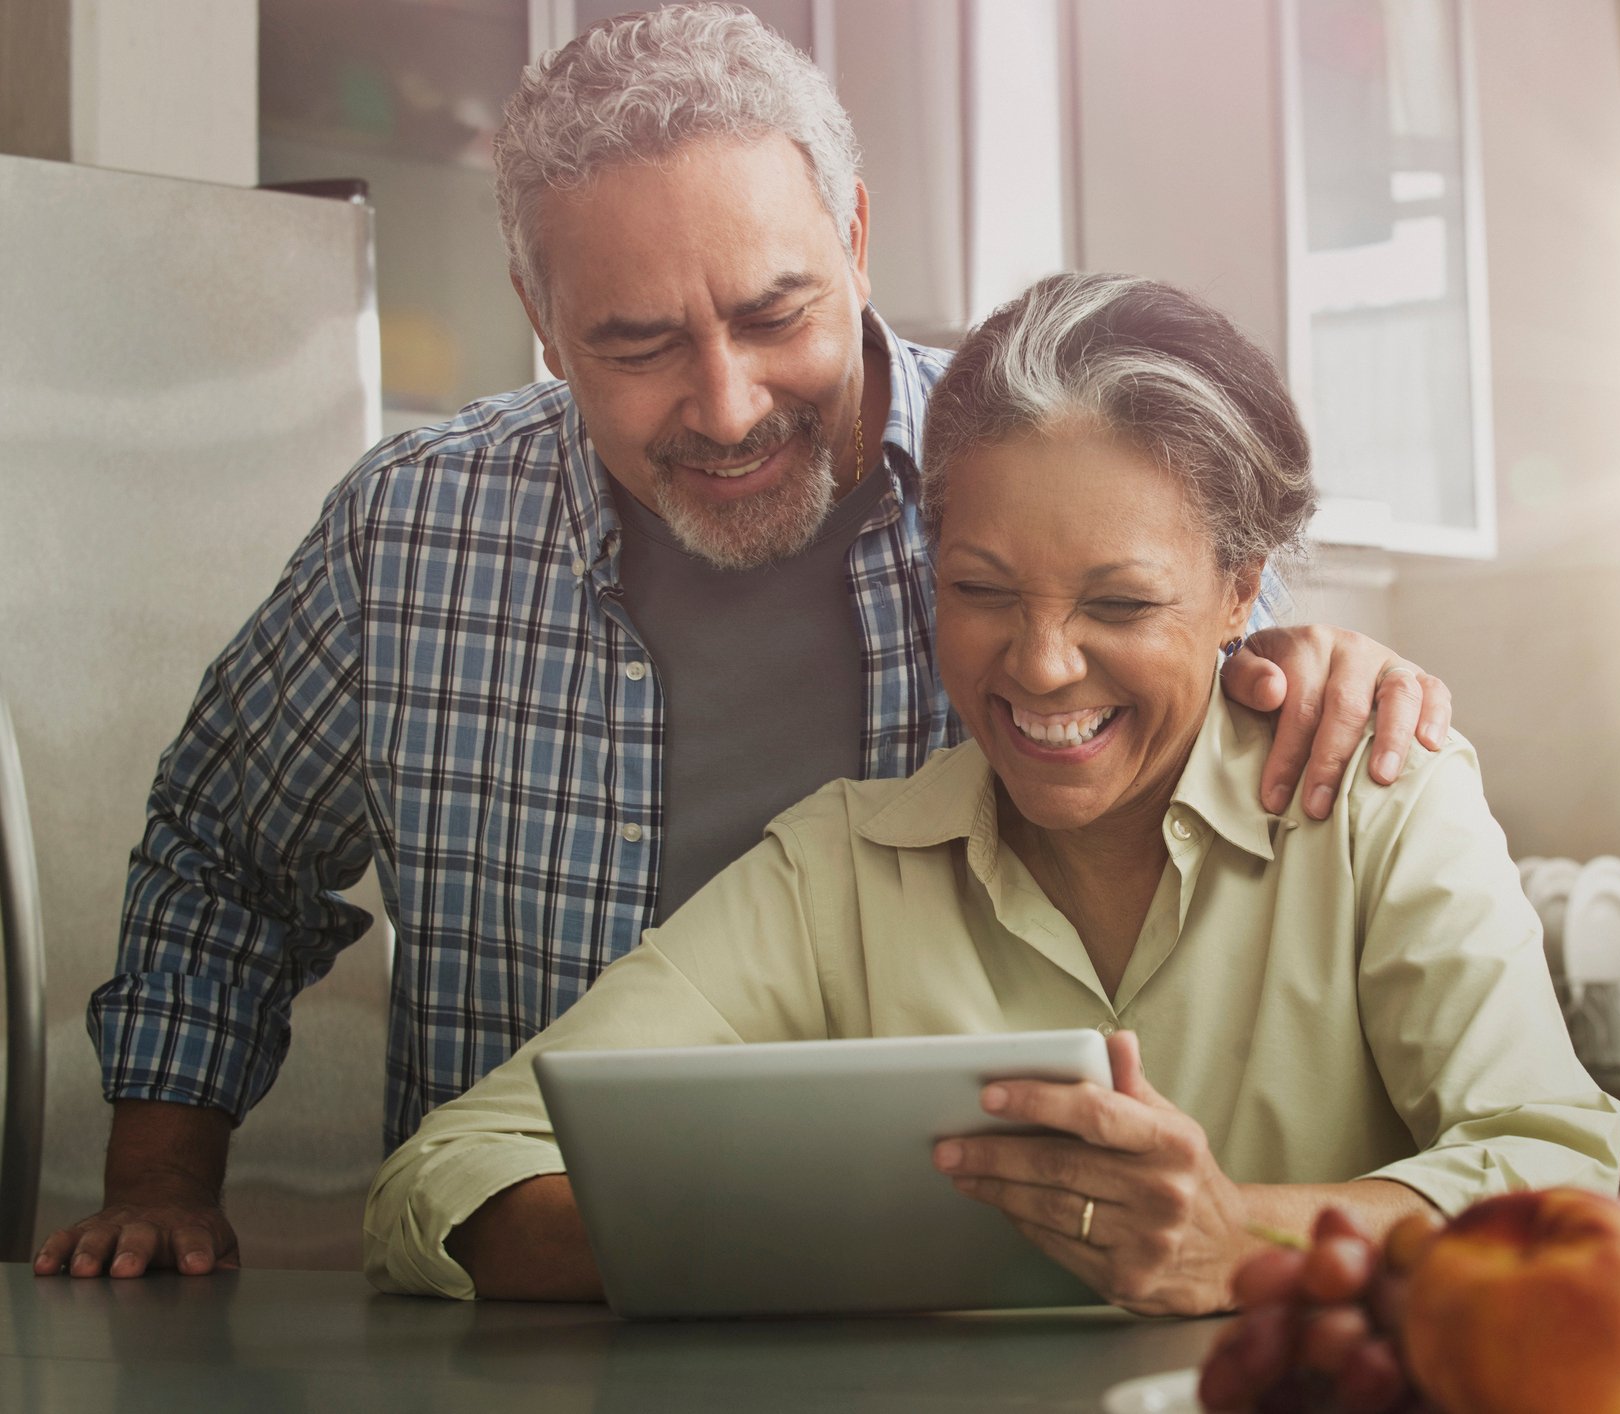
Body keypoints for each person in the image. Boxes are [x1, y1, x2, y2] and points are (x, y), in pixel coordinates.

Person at [38, 6, 1453, 1282]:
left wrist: (1323, 663)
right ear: (539, 320)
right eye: (637, 344)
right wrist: (160, 1184)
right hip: (541, 1314)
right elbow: (224, 851)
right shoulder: (408, 532)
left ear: (850, 236)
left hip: (976, 1323)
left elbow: (1226, 696)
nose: (723, 406)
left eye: (774, 316)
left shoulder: (1038, 486)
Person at [364, 272, 1620, 1313]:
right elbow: (448, 1176)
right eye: (979, 591)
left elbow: (1556, 1190)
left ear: (1244, 592)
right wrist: (836, 1235)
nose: (1041, 665)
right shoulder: (836, 874)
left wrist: (1244, 1239)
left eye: (1119, 603)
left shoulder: (1379, 803)